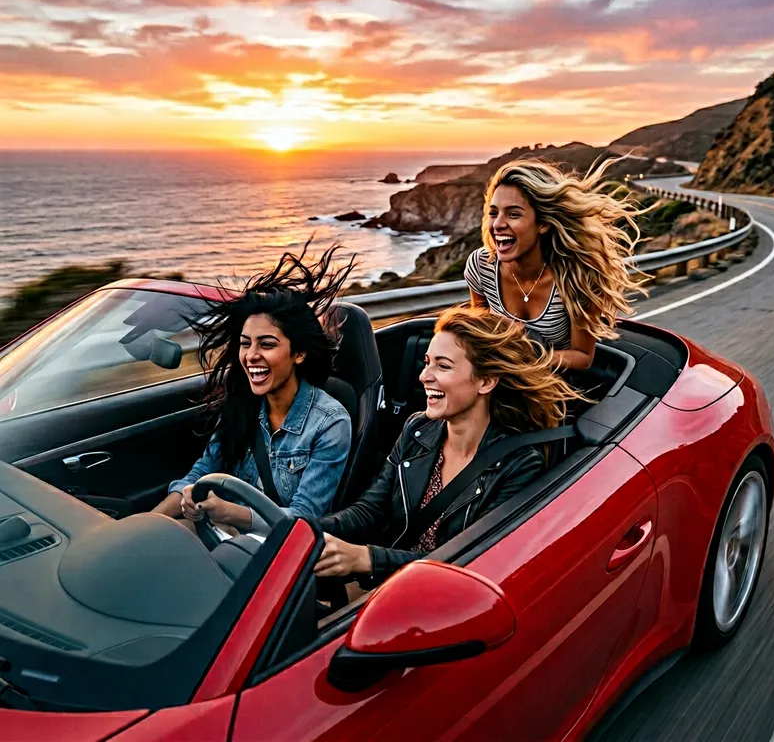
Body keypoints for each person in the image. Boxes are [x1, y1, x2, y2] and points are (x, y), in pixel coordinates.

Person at [314, 306, 580, 587]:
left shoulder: (519, 464)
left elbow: (470, 560)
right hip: (390, 583)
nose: (424, 376)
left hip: (445, 593)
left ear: (486, 381)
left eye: (443, 366)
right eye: (427, 362)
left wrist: (366, 559)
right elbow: (369, 509)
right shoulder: (417, 429)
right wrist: (307, 529)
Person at [152, 244, 354, 533]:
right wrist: (148, 521)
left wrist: (230, 513)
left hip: (283, 546)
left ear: (298, 353)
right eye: (245, 343)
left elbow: (303, 518)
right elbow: (201, 472)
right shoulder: (240, 403)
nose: (251, 356)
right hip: (226, 532)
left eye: (267, 344)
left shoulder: (330, 422)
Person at [464, 157, 645, 370]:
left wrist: (524, 362)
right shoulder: (481, 266)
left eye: (513, 214)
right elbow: (482, 336)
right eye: (493, 213)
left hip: (558, 383)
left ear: (543, 223)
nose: (497, 224)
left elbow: (583, 357)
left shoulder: (577, 275)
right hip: (501, 379)